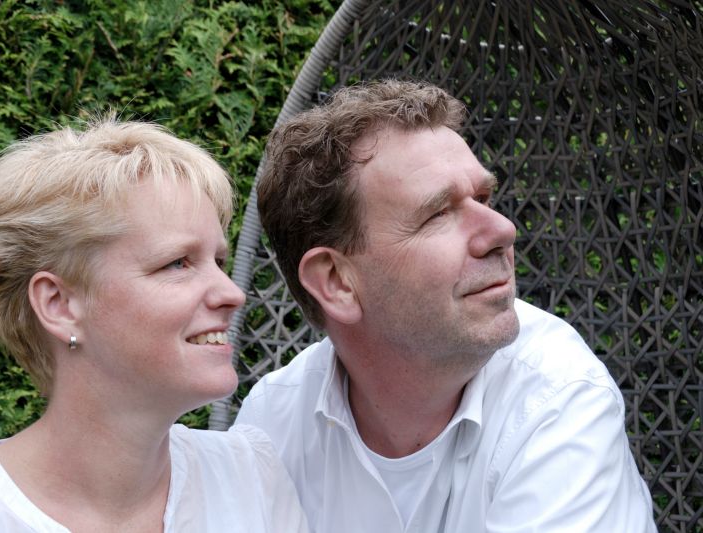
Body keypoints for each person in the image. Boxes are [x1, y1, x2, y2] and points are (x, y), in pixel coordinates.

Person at [235, 79, 656, 532]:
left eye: (483, 198)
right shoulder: (273, 426)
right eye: (437, 213)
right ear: (337, 282)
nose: (503, 230)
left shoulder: (558, 400)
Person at [0, 117, 309, 532]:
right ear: (59, 305)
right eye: (177, 263)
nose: (232, 293)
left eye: (218, 261)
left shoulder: (250, 480)